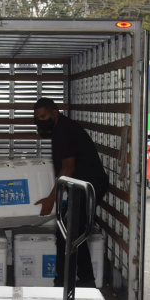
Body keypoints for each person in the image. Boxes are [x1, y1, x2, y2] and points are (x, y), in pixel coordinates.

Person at [32, 97, 109, 288]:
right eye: (37, 118)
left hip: (88, 186)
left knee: (67, 233)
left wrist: (52, 199)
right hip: (81, 186)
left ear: (54, 113)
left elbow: (68, 167)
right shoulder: (61, 129)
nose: (40, 121)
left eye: (43, 116)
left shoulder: (64, 132)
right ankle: (84, 279)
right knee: (72, 232)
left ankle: (65, 282)